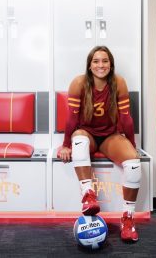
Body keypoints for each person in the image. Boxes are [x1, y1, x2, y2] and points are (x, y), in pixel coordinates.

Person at [59, 45, 141, 242]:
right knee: (78, 137)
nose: (100, 65)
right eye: (96, 61)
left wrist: (131, 145)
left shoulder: (118, 82)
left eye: (105, 61)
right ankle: (89, 196)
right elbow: (71, 119)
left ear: (111, 65)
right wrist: (65, 145)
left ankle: (127, 218)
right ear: (89, 65)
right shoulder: (78, 83)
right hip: (86, 134)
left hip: (110, 136)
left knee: (134, 164)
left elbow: (126, 118)